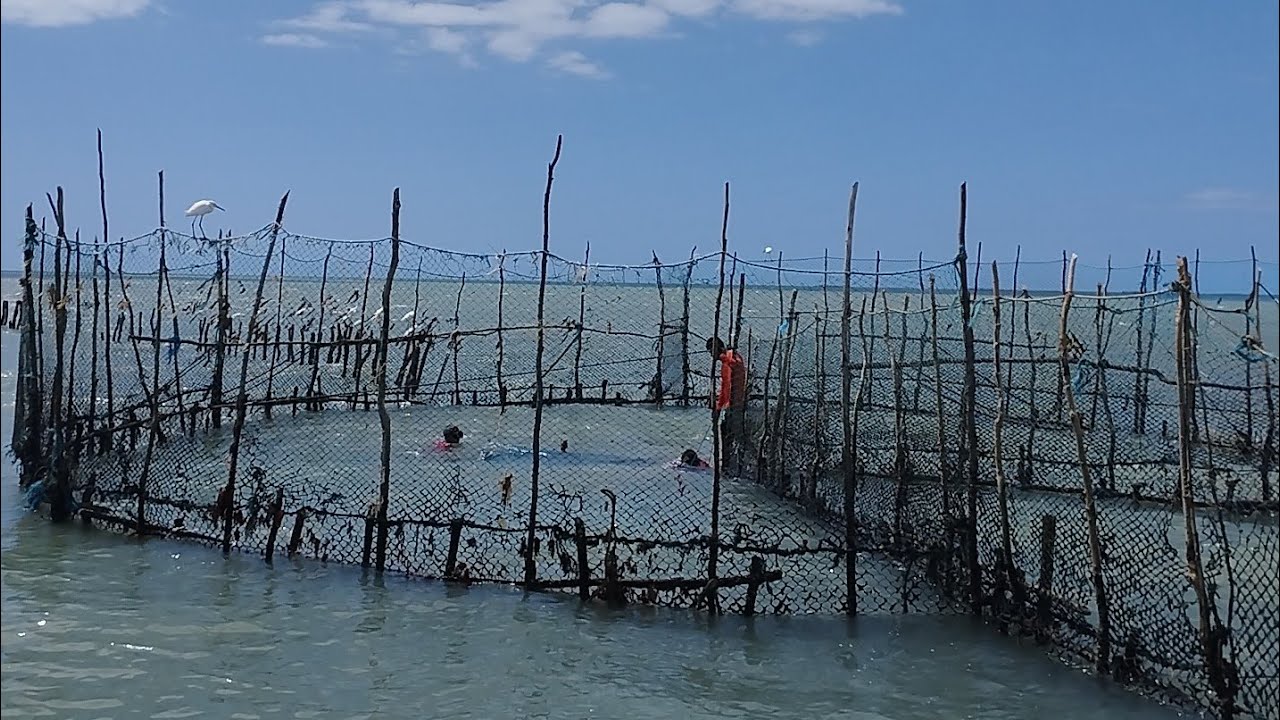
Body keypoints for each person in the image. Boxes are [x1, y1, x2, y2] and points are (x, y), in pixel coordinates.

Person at [706, 336, 747, 474]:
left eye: (711, 352)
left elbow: (726, 389)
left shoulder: (728, 362)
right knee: (731, 433)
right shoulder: (733, 358)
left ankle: (727, 467)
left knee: (730, 434)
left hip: (735, 405)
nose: (711, 356)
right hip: (737, 403)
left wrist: (718, 408)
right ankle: (730, 464)